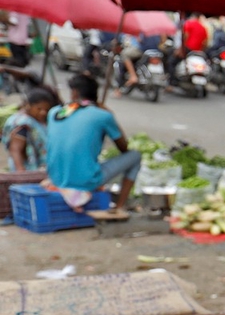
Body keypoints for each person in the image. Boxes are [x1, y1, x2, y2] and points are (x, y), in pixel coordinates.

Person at [45, 74, 142, 219]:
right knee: (135, 156)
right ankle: (119, 207)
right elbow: (124, 148)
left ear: (75, 93)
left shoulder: (55, 112)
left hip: (55, 177)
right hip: (85, 181)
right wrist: (110, 115)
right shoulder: (102, 115)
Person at [2, 88, 58, 171]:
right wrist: (21, 172)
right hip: (29, 171)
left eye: (46, 110)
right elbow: (15, 149)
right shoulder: (22, 123)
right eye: (39, 109)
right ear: (29, 105)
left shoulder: (37, 120)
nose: (43, 113)